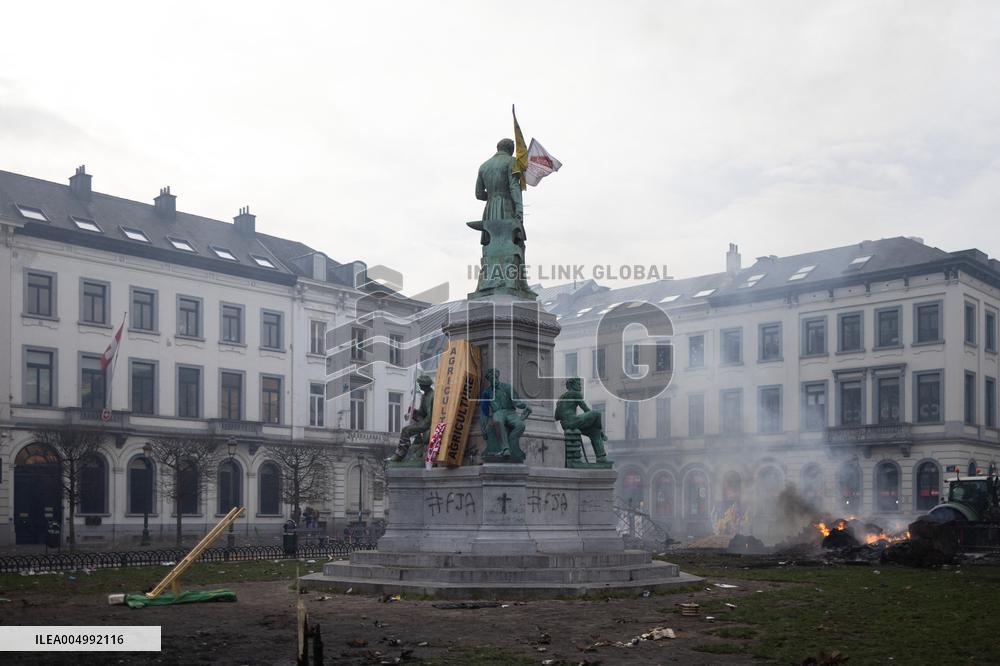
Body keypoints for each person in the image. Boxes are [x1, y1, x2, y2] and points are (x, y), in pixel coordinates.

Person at [475, 138, 525, 246]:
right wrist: (519, 209)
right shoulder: (511, 161)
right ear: (511, 150)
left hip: (489, 211)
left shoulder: (483, 166)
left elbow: (478, 194)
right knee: (515, 242)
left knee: (490, 243)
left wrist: (492, 195)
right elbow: (514, 186)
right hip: (507, 208)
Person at [554, 377, 609, 463]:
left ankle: (601, 457)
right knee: (596, 414)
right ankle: (601, 435)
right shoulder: (576, 394)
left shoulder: (560, 398)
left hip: (565, 424)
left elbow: (556, 416)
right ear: (572, 385)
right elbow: (586, 409)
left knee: (594, 432)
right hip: (572, 422)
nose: (580, 386)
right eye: (579, 384)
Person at [390, 375, 434, 462]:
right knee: (410, 434)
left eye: (420, 384)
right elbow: (422, 412)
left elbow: (429, 417)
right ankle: (411, 453)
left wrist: (420, 425)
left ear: (425, 385)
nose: (419, 385)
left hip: (427, 423)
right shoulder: (424, 395)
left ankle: (400, 454)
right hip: (424, 421)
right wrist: (414, 413)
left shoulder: (432, 396)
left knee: (406, 430)